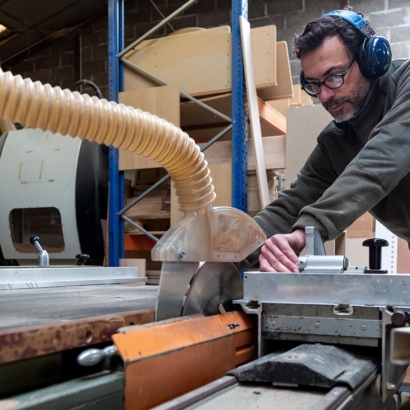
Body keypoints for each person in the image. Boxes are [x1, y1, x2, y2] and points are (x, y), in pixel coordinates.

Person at [253, 9, 410, 272]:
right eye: (314, 84)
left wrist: (308, 230)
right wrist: (227, 255)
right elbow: (290, 206)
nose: (324, 96)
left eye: (334, 76)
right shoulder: (337, 140)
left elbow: (385, 154)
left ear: (371, 59)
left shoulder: (405, 84)